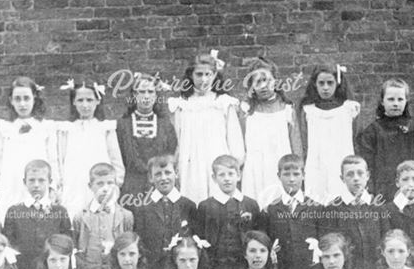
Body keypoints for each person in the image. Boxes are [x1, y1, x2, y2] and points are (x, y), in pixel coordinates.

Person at [169, 51, 244, 203]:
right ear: (191, 75)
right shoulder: (181, 105)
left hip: (218, 161)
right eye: (199, 74)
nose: (204, 79)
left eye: (208, 74)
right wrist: (176, 165)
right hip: (191, 164)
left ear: (215, 75)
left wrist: (232, 166)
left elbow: (235, 141)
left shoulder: (224, 103)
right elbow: (177, 139)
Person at [0, 76, 57, 224]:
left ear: (34, 98)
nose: (22, 104)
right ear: (11, 100)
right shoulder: (3, 128)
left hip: (37, 182)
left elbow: (53, 159)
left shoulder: (46, 127)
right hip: (11, 183)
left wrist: (52, 187)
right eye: (17, 99)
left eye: (26, 98)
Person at [354, 78, 414, 201]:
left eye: (400, 99)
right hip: (383, 190)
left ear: (406, 101)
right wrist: (370, 191)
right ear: (382, 102)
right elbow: (368, 164)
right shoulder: (373, 131)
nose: (395, 103)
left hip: (412, 188)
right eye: (391, 99)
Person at [55, 79, 125, 217]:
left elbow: (116, 160)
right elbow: (60, 160)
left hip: (100, 185)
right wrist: (60, 187)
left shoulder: (105, 128)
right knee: (74, 218)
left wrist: (114, 187)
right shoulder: (66, 130)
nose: (85, 105)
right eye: (80, 100)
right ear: (73, 102)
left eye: (89, 100)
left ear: (97, 101)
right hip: (73, 185)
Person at [240, 58, 302, 202]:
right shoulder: (246, 110)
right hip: (255, 168)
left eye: (267, 80)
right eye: (258, 82)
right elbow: (241, 143)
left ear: (276, 81)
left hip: (281, 166)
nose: (263, 86)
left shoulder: (287, 109)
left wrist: (296, 169)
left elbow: (296, 143)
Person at [297, 63, 360, 204]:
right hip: (316, 163)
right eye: (321, 83)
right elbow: (304, 140)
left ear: (337, 84)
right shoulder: (308, 111)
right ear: (315, 84)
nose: (325, 88)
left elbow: (355, 137)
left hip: (341, 161)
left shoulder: (349, 109)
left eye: (330, 83)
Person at [194, 155, 262, 269]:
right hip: (215, 267)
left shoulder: (250, 204)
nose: (227, 179)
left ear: (239, 176)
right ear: (214, 178)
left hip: (243, 266)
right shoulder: (206, 206)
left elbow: (258, 237)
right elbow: (200, 237)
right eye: (222, 175)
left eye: (231, 174)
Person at [116, 73, 178, 207]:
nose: (146, 96)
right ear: (134, 95)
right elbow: (119, 155)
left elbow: (171, 151)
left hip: (159, 184)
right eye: (141, 92)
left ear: (156, 96)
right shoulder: (122, 125)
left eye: (150, 92)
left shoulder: (165, 124)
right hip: (131, 185)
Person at [3, 160, 72, 269]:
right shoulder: (14, 211)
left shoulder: (60, 211)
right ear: (24, 182)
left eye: (41, 180)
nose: (36, 184)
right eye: (31, 180)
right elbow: (8, 243)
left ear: (49, 182)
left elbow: (67, 242)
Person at [132, 154, 197, 269]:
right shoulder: (143, 209)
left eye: (168, 172)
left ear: (176, 173)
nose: (163, 178)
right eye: (158, 174)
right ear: (150, 178)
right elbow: (140, 243)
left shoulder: (189, 206)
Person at [322, 155, 385, 269]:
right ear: (342, 178)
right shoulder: (333, 209)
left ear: (367, 175)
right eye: (350, 174)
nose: (356, 178)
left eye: (360, 173)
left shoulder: (379, 207)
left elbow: (386, 241)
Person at [74, 163, 133, 269]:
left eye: (110, 183)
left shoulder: (126, 216)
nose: (105, 188)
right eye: (100, 184)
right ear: (90, 186)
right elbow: (77, 247)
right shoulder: (80, 217)